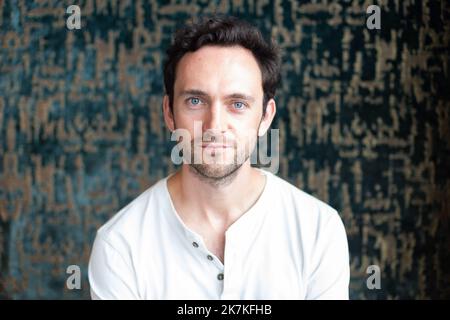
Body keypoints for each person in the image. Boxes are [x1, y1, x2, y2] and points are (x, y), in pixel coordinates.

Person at [88, 15, 350, 299]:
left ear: (265, 116)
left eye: (237, 104)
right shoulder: (120, 246)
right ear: (169, 112)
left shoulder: (318, 230)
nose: (214, 125)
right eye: (196, 101)